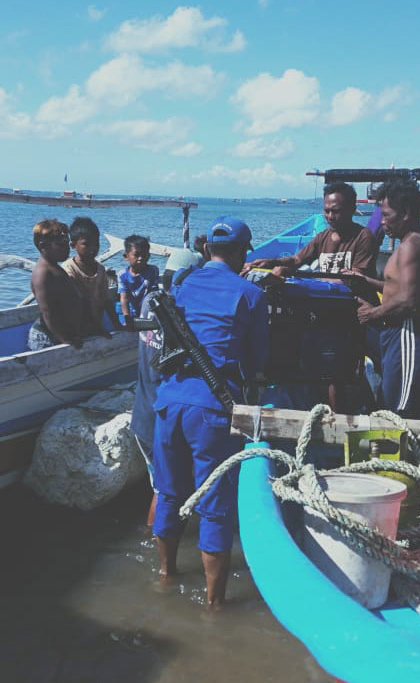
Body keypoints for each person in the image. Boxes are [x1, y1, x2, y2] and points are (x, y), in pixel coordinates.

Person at [152, 217, 268, 609]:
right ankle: (214, 605)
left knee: (169, 494)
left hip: (169, 401)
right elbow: (256, 360)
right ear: (243, 254)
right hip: (212, 409)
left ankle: (166, 575)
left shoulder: (183, 284)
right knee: (215, 509)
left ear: (206, 250)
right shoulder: (250, 295)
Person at [344, 178, 420, 417]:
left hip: (407, 332)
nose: (382, 222)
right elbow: (396, 288)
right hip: (394, 333)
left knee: (399, 410)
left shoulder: (413, 246)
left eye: (386, 215)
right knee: (388, 399)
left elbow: (409, 301)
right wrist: (365, 281)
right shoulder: (405, 245)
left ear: (405, 214)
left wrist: (371, 313)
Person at [131, 247, 203, 528]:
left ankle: (159, 537)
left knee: (163, 488)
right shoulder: (180, 310)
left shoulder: (150, 300)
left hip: (143, 412)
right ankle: (155, 542)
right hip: (160, 419)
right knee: (165, 492)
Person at [244, 181, 377, 279]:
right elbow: (296, 260)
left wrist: (295, 274)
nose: (330, 217)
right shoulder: (322, 237)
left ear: (352, 210)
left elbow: (355, 279)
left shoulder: (363, 237)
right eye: (327, 211)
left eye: (336, 211)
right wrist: (269, 263)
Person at [28, 219, 89, 350]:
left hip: (62, 334)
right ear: (43, 245)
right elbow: (48, 312)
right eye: (60, 244)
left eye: (67, 243)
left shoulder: (54, 268)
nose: (66, 248)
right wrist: (65, 340)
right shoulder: (43, 273)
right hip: (48, 338)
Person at [61, 216, 122, 333]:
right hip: (75, 330)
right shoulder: (69, 269)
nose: (93, 248)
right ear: (73, 245)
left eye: (96, 243)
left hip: (96, 327)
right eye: (86, 244)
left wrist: (117, 324)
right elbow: (75, 303)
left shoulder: (100, 269)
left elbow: (106, 300)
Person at [119, 234, 159, 327]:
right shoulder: (122, 275)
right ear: (126, 256)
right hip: (131, 313)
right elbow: (124, 298)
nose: (140, 258)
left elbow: (154, 294)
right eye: (136, 255)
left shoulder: (153, 271)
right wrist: (127, 317)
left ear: (149, 256)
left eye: (144, 255)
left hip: (148, 313)